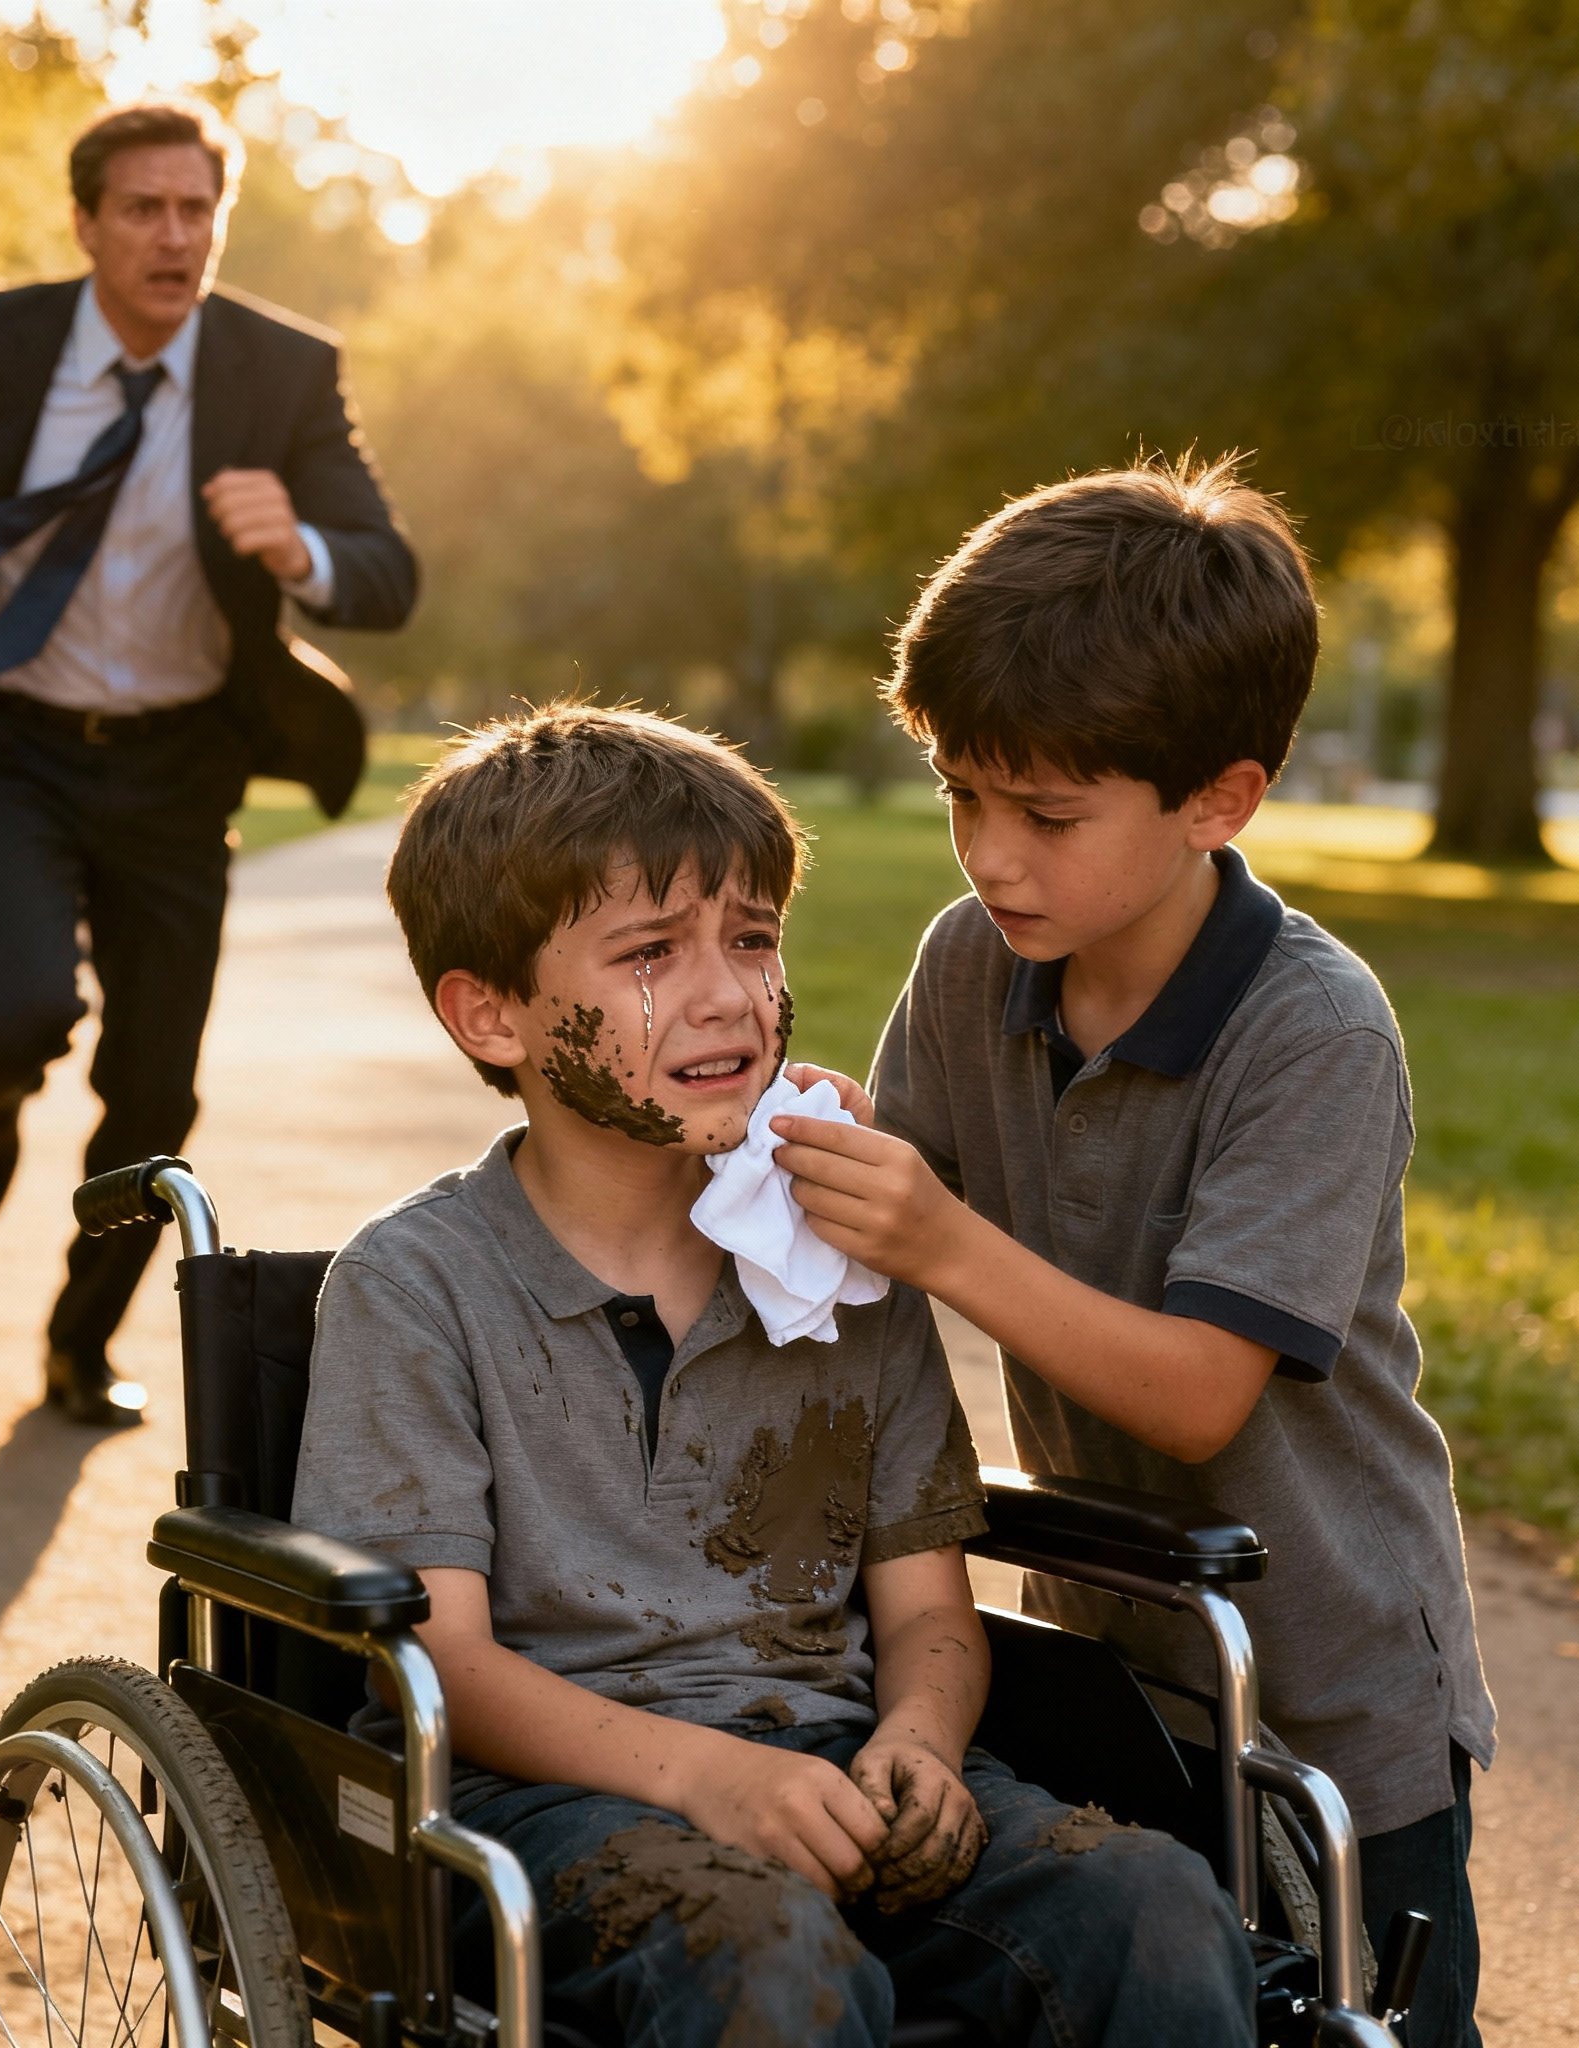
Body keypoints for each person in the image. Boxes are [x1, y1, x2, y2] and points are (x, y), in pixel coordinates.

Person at [292, 705, 1256, 2048]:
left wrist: (920, 1742)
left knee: (1151, 1905)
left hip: (842, 1769)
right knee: (765, 1954)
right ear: (491, 1013)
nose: (729, 993)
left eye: (751, 938)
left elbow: (929, 1615)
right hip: (545, 1808)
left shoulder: (838, 1258)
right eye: (650, 953)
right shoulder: (415, 1289)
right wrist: (710, 1780)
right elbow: (441, 1661)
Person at [773, 458, 1494, 2048]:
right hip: (1119, 1646)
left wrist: (939, 1229)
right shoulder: (977, 962)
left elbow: (1197, 1394)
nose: (991, 855)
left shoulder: (1313, 1030)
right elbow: (911, 1199)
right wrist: (838, 1142)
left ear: (1217, 802)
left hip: (1328, 1679)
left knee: (1373, 2023)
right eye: (963, 795)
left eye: (1045, 814)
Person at [0, 100, 416, 1425]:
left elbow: (386, 573)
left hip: (179, 769)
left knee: (155, 1096)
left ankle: (77, 1339)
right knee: (22, 1009)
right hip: (5, 739)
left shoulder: (279, 374)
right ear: (88, 224)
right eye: (144, 210)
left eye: (197, 212)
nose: (175, 238)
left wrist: (301, 553)